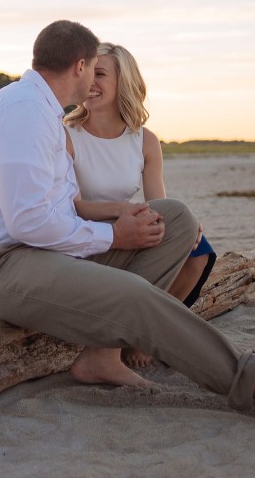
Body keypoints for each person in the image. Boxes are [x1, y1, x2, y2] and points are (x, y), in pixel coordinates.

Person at [0, 20, 255, 427]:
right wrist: (112, 234)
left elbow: (60, 207)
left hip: (35, 253)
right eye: (92, 67)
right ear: (79, 66)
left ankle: (101, 356)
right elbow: (27, 222)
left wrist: (119, 214)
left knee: (176, 218)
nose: (92, 78)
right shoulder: (24, 110)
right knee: (134, 296)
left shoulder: (44, 114)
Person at [64, 42, 217, 310]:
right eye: (87, 72)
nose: (90, 81)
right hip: (87, 234)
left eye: (99, 74)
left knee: (198, 250)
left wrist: (184, 225)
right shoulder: (65, 135)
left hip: (129, 226)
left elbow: (159, 203)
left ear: (124, 81)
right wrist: (128, 214)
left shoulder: (145, 141)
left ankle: (149, 327)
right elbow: (74, 207)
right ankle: (130, 323)